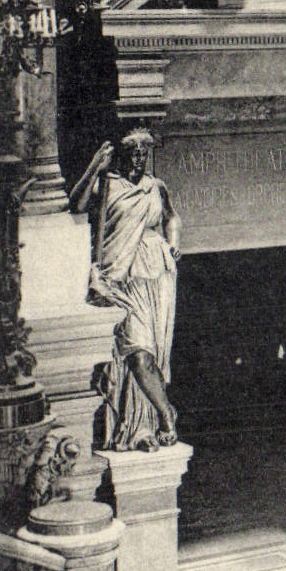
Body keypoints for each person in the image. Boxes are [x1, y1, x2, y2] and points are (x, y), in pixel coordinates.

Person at [70, 129, 181, 451]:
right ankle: (167, 415)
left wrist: (173, 244)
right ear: (120, 154)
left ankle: (140, 428)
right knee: (137, 353)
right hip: (119, 277)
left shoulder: (155, 186)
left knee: (154, 353)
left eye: (143, 152)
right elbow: (76, 205)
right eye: (132, 152)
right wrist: (94, 166)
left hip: (156, 274)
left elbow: (172, 217)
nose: (138, 158)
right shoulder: (107, 184)